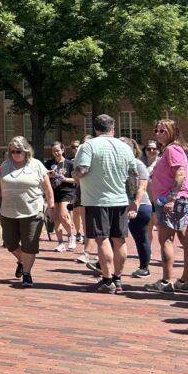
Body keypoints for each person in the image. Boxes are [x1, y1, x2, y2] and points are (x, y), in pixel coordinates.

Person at [72, 115, 138, 294]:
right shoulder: (125, 147)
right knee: (120, 239)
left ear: (95, 129)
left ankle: (107, 280)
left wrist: (74, 174)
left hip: (96, 200)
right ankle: (118, 278)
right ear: (113, 128)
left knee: (102, 239)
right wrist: (132, 199)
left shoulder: (89, 146)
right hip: (121, 200)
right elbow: (133, 175)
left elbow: (82, 169)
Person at [145, 119, 188, 295]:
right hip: (180, 199)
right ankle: (184, 281)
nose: (158, 133)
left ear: (173, 132)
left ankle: (167, 281)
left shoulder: (172, 150)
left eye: (163, 131)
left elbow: (180, 174)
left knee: (166, 239)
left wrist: (172, 198)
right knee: (185, 238)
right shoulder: (174, 150)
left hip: (173, 200)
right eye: (157, 130)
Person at [0, 137, 54, 287]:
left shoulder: (36, 165)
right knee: (10, 243)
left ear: (26, 151)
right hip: (8, 211)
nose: (14, 154)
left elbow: (47, 188)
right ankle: (22, 260)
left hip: (32, 211)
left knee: (29, 245)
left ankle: (27, 274)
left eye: (18, 151)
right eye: (12, 151)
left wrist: (51, 207)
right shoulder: (5, 165)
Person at [118, 138, 153, 279]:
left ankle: (144, 268)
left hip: (141, 205)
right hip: (121, 204)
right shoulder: (118, 165)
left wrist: (135, 205)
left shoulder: (138, 164)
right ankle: (104, 263)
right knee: (114, 236)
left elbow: (142, 187)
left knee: (140, 237)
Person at [46, 142, 77, 252]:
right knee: (56, 218)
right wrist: (49, 175)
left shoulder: (69, 164)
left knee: (63, 215)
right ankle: (60, 243)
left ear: (63, 150)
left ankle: (70, 236)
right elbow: (43, 178)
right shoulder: (49, 163)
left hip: (67, 191)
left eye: (58, 150)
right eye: (54, 151)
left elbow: (76, 179)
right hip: (53, 192)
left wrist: (65, 179)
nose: (56, 153)